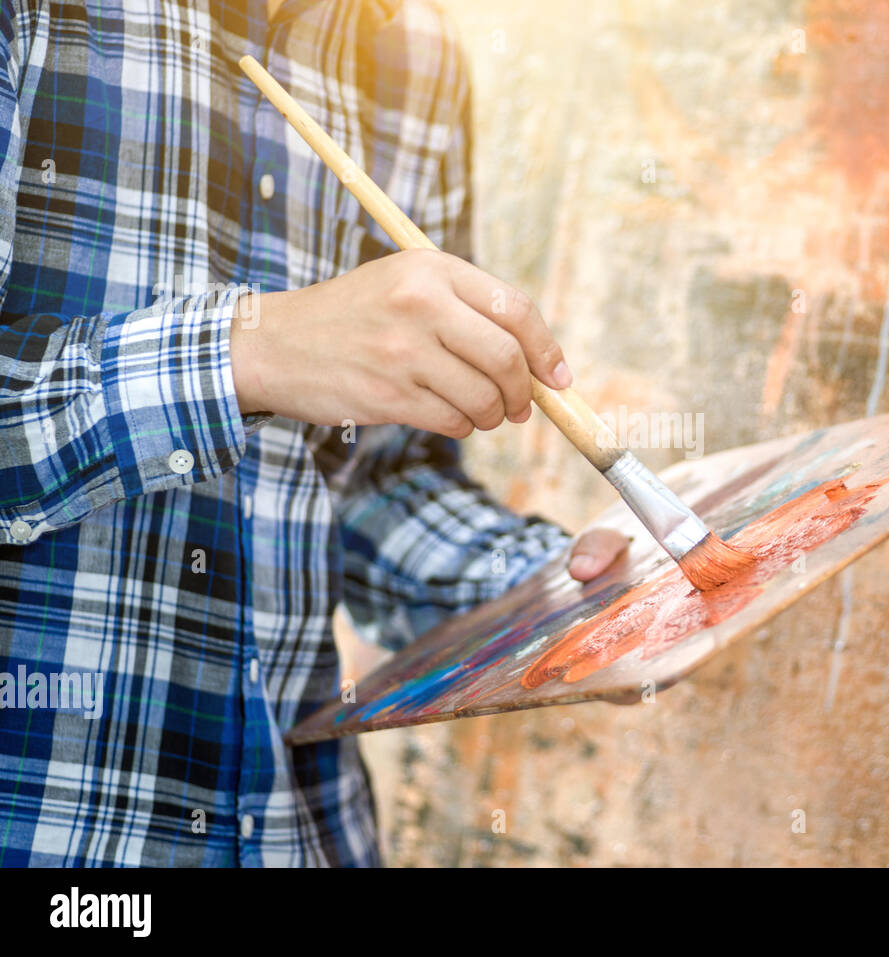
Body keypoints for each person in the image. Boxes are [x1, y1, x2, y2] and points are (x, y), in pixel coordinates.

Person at [0, 0, 626, 865]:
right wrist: (246, 350)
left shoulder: (419, 53)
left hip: (310, 832)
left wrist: (545, 595)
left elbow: (368, 483)